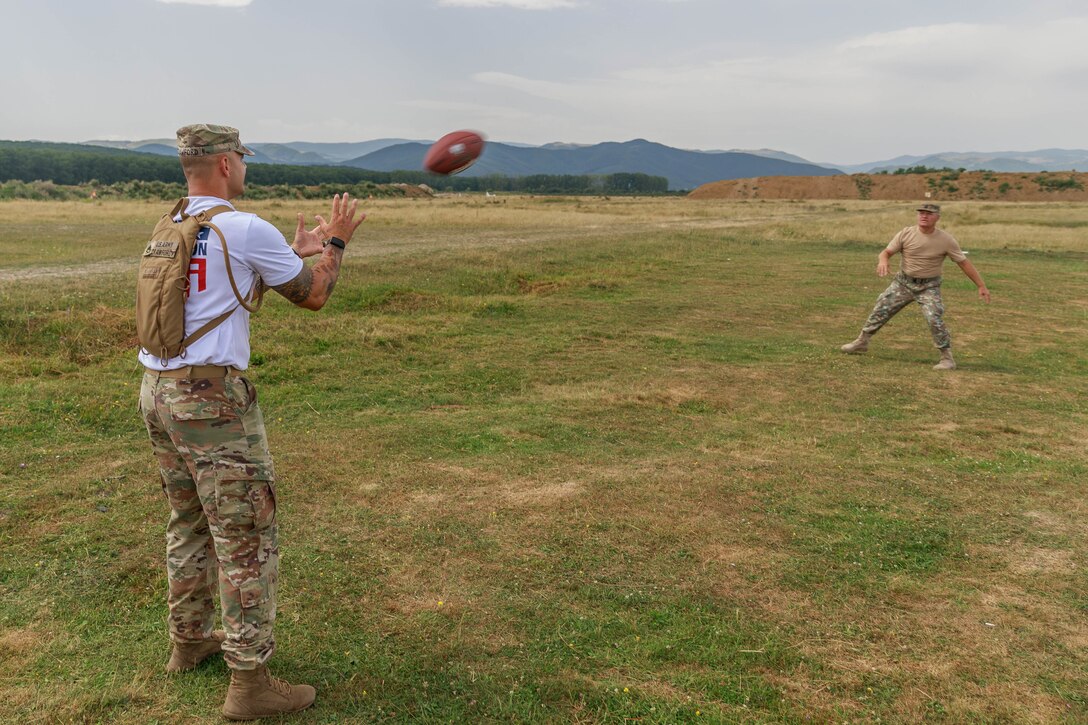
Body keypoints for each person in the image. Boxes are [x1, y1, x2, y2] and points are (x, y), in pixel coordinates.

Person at [138, 124, 364, 720]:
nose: (244, 165)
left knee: (187, 519)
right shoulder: (242, 225)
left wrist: (295, 252)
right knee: (245, 535)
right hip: (212, 402)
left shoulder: (174, 223)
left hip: (158, 391)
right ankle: (249, 683)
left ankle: (188, 643)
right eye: (240, 157)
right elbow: (314, 296)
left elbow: (214, 288)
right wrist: (335, 244)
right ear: (224, 164)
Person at [840, 203, 990, 370]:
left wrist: (981, 285)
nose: (924, 216)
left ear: (937, 217)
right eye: (921, 213)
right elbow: (886, 252)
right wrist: (883, 260)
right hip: (903, 283)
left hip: (929, 286)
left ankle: (947, 358)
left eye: (929, 213)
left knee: (933, 317)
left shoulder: (946, 240)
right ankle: (862, 342)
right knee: (881, 308)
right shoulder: (906, 233)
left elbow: (963, 263)